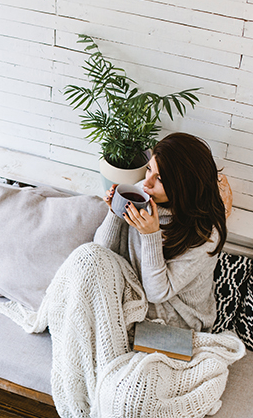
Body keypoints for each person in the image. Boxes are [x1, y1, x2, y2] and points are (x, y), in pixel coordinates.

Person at [95, 132, 228, 331]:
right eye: (149, 169)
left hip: (178, 316)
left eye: (160, 178)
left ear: (184, 186)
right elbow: (100, 252)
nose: (147, 182)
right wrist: (114, 211)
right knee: (85, 261)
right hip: (134, 287)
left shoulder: (206, 234)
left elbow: (157, 293)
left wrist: (151, 236)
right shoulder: (144, 192)